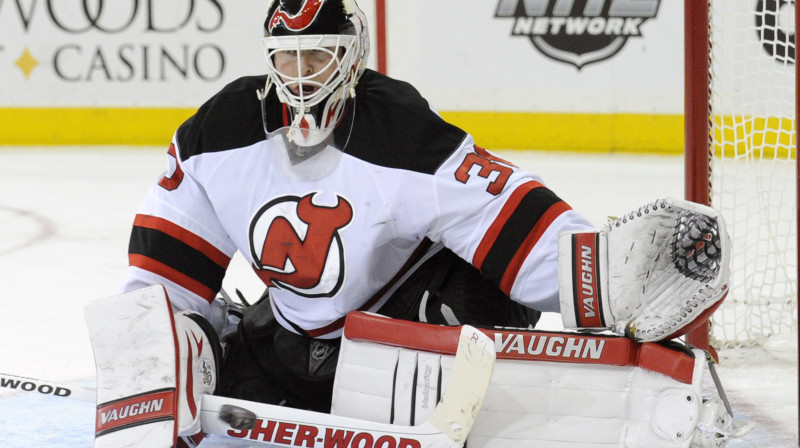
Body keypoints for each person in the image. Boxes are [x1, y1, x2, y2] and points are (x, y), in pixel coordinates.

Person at [119, 0, 729, 445]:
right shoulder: (217, 134)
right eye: (288, 55)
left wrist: (595, 270)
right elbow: (164, 266)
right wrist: (149, 352)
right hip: (286, 334)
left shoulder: (401, 133)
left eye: (318, 55)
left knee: (477, 293)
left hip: (399, 326)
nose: (302, 73)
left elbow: (504, 211)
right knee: (198, 349)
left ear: (351, 58)